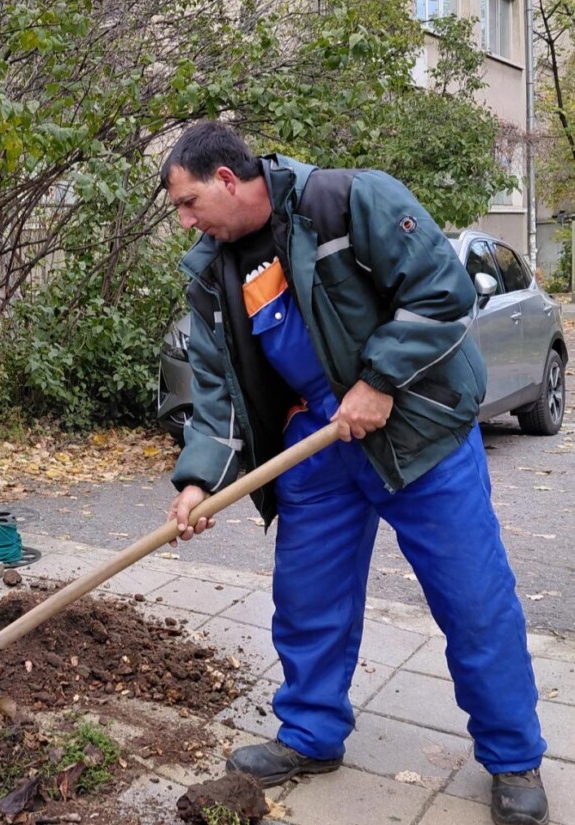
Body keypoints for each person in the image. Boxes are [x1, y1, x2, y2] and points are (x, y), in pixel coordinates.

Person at [160, 121, 548, 825]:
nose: (186, 221)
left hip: (417, 427)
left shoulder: (344, 203)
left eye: (188, 203)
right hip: (317, 439)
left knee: (473, 596)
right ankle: (310, 734)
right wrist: (198, 482)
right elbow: (214, 391)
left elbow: (441, 290)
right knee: (308, 598)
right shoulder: (212, 273)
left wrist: (380, 379)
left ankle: (513, 754)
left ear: (224, 179)